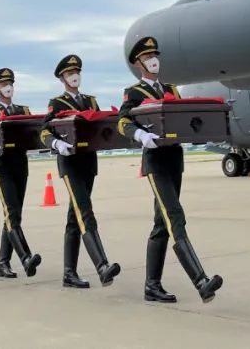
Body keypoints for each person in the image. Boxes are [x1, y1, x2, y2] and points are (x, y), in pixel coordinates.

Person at [118, 36, 222, 304]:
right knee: (174, 215)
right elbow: (122, 121)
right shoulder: (134, 92)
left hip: (174, 159)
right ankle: (200, 280)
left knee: (161, 223)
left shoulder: (171, 89)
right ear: (138, 63)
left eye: (155, 56)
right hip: (156, 162)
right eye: (147, 57)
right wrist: (140, 135)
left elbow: (182, 117)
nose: (153, 60)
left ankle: (151, 286)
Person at [40, 54, 121, 288]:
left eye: (76, 72)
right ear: (62, 78)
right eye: (69, 73)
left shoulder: (90, 101)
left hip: (88, 163)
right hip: (70, 165)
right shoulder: (57, 103)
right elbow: (44, 131)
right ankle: (102, 266)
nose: (74, 76)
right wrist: (56, 143)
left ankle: (69, 273)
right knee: (85, 212)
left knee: (74, 218)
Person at [0, 68, 42, 279]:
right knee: (12, 214)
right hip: (3, 169)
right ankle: (25, 257)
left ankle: (3, 264)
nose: (8, 87)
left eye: (10, 83)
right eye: (3, 85)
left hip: (21, 166)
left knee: (13, 216)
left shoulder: (23, 110)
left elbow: (33, 130)